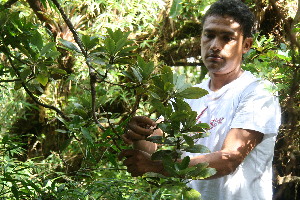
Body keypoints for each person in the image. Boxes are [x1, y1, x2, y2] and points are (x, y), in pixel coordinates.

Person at [119, 0, 281, 199]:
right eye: (209, 35)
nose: (215, 45)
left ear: (246, 45)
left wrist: (156, 166)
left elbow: (229, 159)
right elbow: (152, 150)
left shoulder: (258, 92)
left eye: (227, 38)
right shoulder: (189, 94)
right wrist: (141, 134)